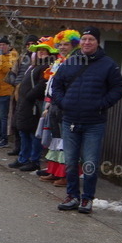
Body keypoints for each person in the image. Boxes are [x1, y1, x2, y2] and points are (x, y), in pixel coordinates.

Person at [52, 26, 122, 214]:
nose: (86, 42)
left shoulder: (108, 64)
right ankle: (72, 196)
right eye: (84, 39)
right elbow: (56, 85)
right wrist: (63, 103)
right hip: (70, 120)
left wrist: (101, 104)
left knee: (90, 163)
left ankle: (87, 199)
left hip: (94, 123)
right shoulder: (70, 62)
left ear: (97, 42)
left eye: (91, 39)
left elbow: (117, 89)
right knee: (70, 161)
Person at [39, 30, 81, 186]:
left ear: (74, 45)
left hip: (66, 105)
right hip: (54, 103)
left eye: (66, 44)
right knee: (56, 138)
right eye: (60, 44)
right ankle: (54, 171)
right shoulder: (59, 61)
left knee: (66, 140)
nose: (62, 47)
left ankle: (66, 175)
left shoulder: (75, 62)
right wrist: (49, 103)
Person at [9, 39, 53, 173]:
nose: (41, 53)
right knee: (24, 132)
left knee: (33, 134)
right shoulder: (35, 66)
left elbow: (42, 84)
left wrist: (29, 95)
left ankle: (34, 160)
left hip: (33, 105)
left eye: (44, 50)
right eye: (39, 50)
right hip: (25, 104)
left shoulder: (46, 67)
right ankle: (23, 158)